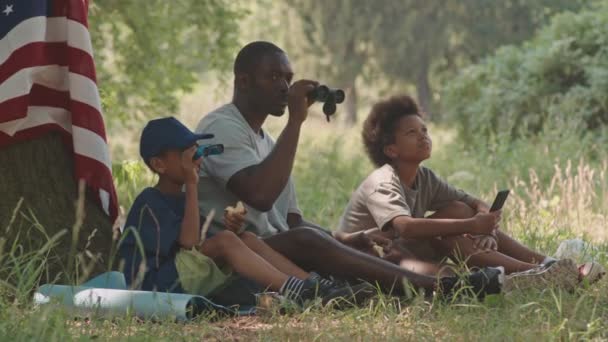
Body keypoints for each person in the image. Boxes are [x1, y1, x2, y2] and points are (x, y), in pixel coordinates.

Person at [194, 41, 504, 304]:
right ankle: (441, 289)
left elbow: (291, 220)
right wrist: (295, 122)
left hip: (279, 246)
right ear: (243, 81)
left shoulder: (268, 142)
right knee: (309, 240)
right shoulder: (222, 127)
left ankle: (456, 282)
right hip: (240, 252)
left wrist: (348, 238)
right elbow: (260, 197)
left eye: (288, 78)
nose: (284, 87)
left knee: (369, 248)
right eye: (273, 76)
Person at [336, 94, 604, 291]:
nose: (423, 137)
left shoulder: (424, 177)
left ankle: (548, 264)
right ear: (391, 150)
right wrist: (471, 224)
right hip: (375, 258)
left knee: (459, 209)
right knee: (452, 252)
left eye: (424, 130)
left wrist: (484, 228)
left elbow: (473, 203)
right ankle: (538, 273)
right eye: (411, 133)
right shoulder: (382, 182)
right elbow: (404, 227)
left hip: (404, 250)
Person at [116, 117, 370, 306]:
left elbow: (197, 245)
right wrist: (193, 184)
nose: (196, 159)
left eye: (196, 152)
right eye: (186, 154)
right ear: (158, 164)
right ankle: (298, 291)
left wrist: (231, 229)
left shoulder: (183, 199)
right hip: (156, 285)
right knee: (227, 241)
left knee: (246, 238)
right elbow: (189, 243)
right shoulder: (149, 201)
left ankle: (317, 288)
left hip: (182, 275)